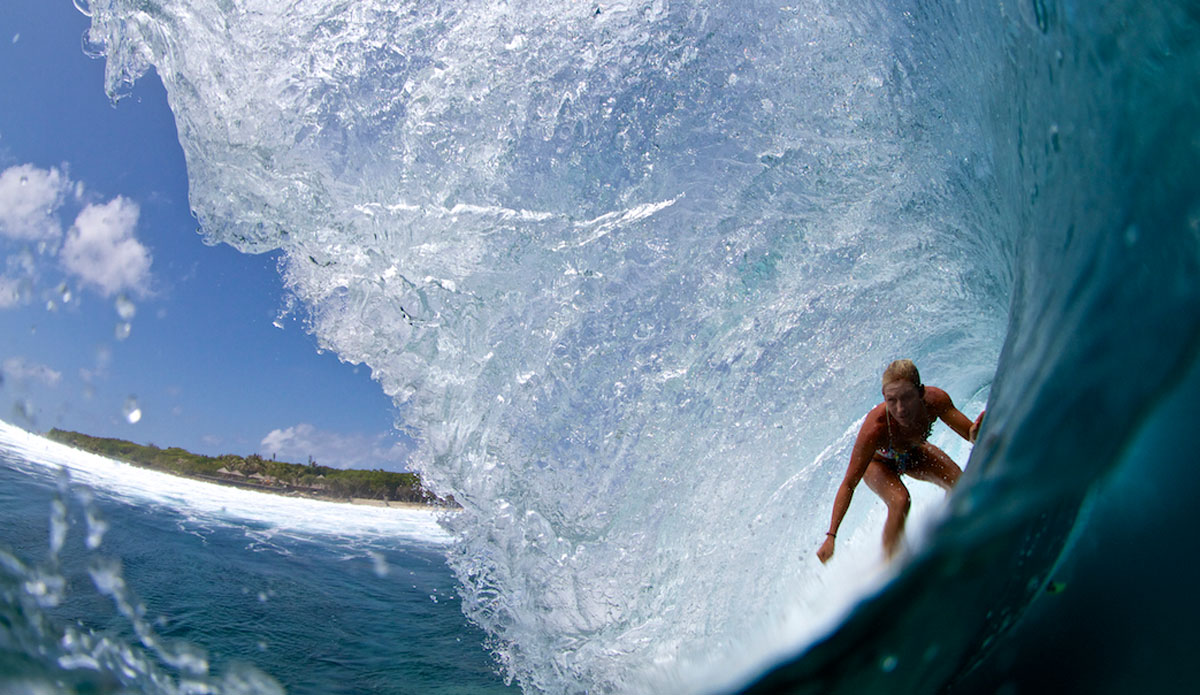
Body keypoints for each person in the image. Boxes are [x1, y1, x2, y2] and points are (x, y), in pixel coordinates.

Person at [816, 359, 985, 563]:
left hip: (913, 453)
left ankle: (954, 528)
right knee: (900, 500)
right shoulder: (875, 427)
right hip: (878, 464)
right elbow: (849, 483)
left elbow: (970, 434)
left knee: (959, 482)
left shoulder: (935, 401)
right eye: (892, 400)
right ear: (884, 397)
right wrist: (831, 536)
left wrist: (975, 435)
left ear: (920, 392)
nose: (900, 408)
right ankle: (891, 565)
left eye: (906, 398)